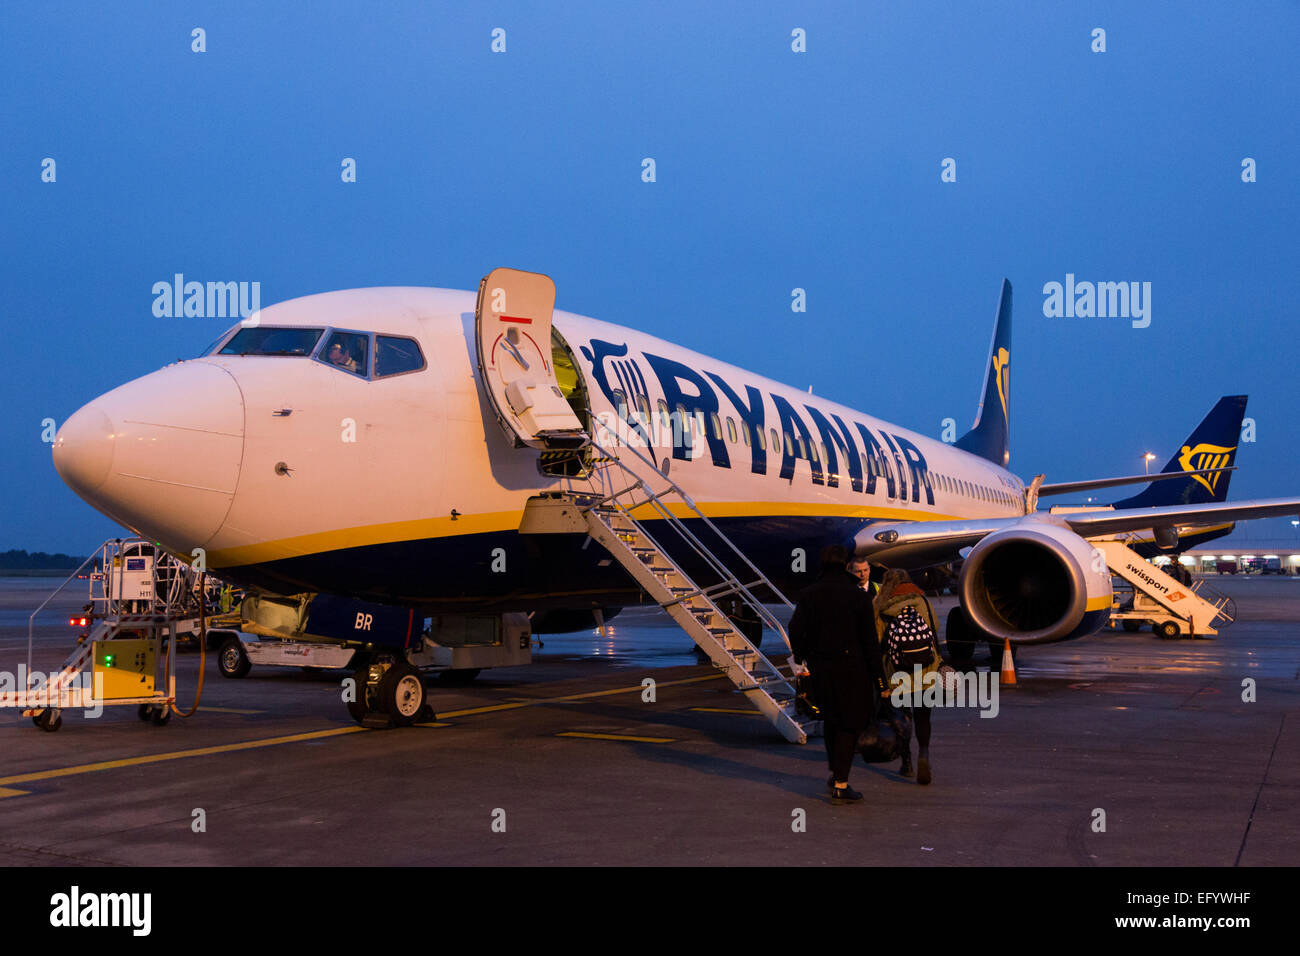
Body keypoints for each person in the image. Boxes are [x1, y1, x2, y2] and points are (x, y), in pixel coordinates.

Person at [789, 545, 881, 805]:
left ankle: (835, 772)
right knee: (849, 725)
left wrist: (801, 655)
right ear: (844, 564)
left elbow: (795, 628)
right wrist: (881, 680)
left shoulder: (809, 594)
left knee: (830, 720)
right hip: (853, 669)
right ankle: (841, 783)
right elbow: (869, 641)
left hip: (820, 668)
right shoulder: (857, 596)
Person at [873, 568, 941, 785]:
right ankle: (924, 752)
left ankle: (907, 762)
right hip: (926, 671)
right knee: (923, 716)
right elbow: (935, 628)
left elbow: (877, 640)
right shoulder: (923, 602)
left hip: (896, 673)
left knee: (902, 718)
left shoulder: (883, 606)